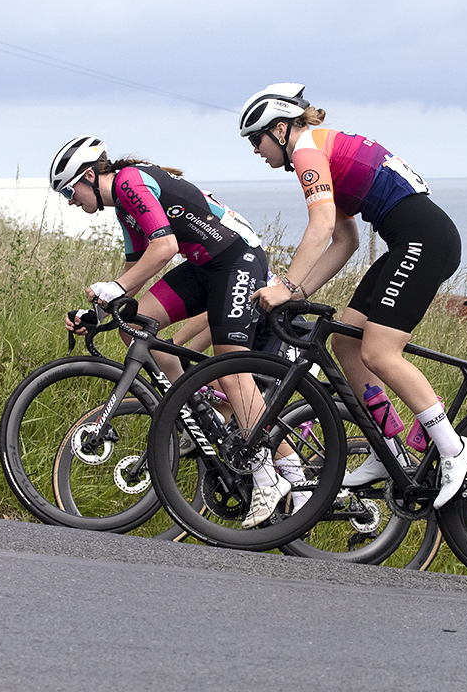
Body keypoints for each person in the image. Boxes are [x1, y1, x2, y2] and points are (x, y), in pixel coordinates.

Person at [241, 83, 467, 510]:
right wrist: (298, 294)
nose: (255, 150)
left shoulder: (306, 152)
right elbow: (345, 241)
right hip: (411, 240)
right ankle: (391, 451)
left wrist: (286, 287)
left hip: (424, 239)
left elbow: (322, 226)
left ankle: (454, 448)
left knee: (381, 352)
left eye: (255, 139)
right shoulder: (323, 150)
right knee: (347, 342)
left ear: (279, 129)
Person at [49, 135, 302, 528]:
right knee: (133, 325)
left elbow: (164, 248)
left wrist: (113, 290)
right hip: (205, 267)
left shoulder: (129, 181)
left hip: (237, 258)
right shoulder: (124, 208)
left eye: (69, 191)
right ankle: (193, 405)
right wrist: (97, 312)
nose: (70, 200)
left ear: (86, 175)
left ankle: (273, 473)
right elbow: (134, 276)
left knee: (230, 365)